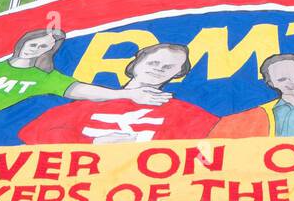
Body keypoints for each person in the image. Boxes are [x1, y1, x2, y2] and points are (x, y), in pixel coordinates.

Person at [0, 23, 171, 148]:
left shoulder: (45, 79)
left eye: (44, 47)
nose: (36, 48)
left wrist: (127, 94)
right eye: (35, 43)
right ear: (23, 43)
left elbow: (81, 90)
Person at [18, 42, 218, 144]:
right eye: (154, 62)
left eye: (168, 67)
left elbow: (211, 140)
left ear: (178, 73)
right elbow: (34, 133)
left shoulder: (187, 113)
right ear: (137, 62)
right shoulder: (88, 105)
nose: (158, 69)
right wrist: (93, 143)